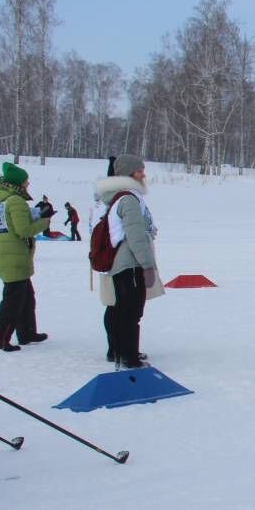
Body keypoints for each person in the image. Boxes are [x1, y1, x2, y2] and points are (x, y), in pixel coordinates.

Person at [95, 155, 158, 368]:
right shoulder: (128, 199)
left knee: (118, 308)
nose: (143, 174)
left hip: (119, 262)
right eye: (139, 171)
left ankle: (117, 350)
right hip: (129, 263)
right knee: (130, 312)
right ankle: (128, 356)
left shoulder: (117, 197)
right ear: (128, 174)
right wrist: (147, 265)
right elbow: (136, 236)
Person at [0, 162, 52, 351]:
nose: (28, 184)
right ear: (18, 183)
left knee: (26, 297)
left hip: (6, 254)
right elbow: (23, 230)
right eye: (26, 182)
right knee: (13, 302)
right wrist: (44, 222)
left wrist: (36, 213)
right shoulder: (15, 200)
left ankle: (27, 332)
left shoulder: (2, 199)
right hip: (12, 256)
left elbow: (16, 221)